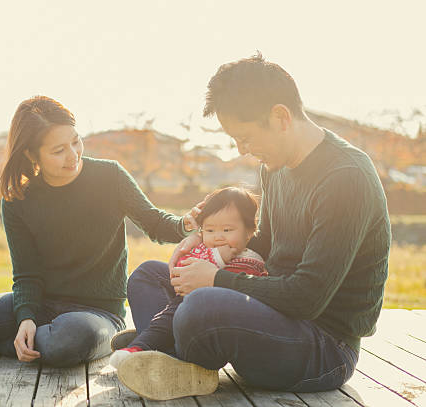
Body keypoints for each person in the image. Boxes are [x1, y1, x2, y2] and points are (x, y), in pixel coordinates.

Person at [116, 53, 391, 401]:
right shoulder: (275, 168)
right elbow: (264, 246)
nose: (242, 150)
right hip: (270, 308)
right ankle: (166, 348)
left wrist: (216, 279)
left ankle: (162, 343)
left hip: (323, 345)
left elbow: (308, 297)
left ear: (280, 117)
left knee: (202, 306)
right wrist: (207, 247)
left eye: (245, 138)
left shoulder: (345, 178)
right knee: (148, 276)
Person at [0, 96, 198, 400]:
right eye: (58, 150)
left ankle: (0, 341)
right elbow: (26, 272)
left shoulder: (109, 176)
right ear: (31, 154)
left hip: (97, 315)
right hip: (42, 304)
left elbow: (155, 223)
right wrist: (26, 317)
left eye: (76, 142)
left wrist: (186, 223)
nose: (73, 155)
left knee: (67, 339)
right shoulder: (19, 199)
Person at [110, 187, 266, 369]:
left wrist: (219, 262)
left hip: (215, 322)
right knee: (160, 290)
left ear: (249, 231)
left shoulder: (253, 259)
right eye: (209, 230)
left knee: (185, 307)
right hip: (184, 308)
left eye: (227, 229)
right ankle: (151, 346)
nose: (218, 237)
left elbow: (254, 289)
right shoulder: (204, 249)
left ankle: (145, 344)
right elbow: (183, 267)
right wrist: (202, 241)